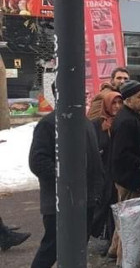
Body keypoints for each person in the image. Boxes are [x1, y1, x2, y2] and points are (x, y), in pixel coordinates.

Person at [29, 83, 104, 268]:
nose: (85, 94)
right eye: (81, 90)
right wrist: (68, 178)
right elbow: (38, 162)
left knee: (78, 250)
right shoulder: (49, 123)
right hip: (59, 203)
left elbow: (94, 160)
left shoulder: (84, 122)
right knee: (51, 250)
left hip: (86, 200)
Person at [109, 80, 140, 265]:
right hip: (128, 178)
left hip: (129, 176)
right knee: (129, 222)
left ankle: (115, 249)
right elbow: (121, 154)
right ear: (128, 99)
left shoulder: (134, 116)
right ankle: (123, 259)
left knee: (125, 218)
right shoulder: (126, 120)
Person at [88, 91, 123, 251]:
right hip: (101, 174)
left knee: (114, 208)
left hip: (116, 173)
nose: (116, 106)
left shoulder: (121, 122)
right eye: (113, 103)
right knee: (99, 209)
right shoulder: (96, 124)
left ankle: (111, 242)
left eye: (119, 103)